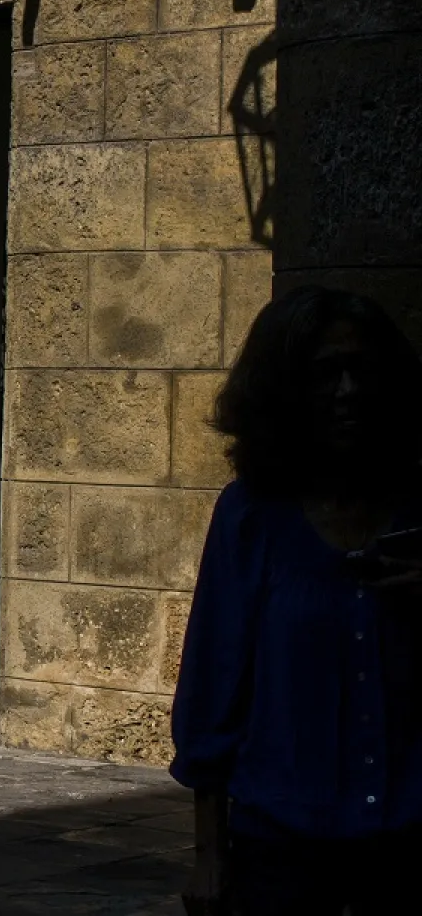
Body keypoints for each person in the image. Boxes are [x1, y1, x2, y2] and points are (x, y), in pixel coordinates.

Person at [172, 286, 422, 915]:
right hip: (283, 841)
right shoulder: (252, 517)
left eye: (361, 370)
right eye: (325, 373)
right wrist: (209, 854)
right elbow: (214, 680)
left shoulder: (415, 510)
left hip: (407, 833)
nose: (347, 392)